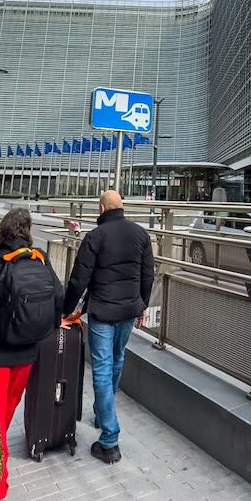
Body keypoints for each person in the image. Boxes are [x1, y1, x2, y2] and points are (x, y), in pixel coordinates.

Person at [0, 207, 64, 501]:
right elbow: (58, 297)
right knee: (6, 411)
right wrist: (47, 328)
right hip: (27, 350)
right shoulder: (39, 258)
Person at [63, 190, 154, 464]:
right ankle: (104, 414)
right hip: (128, 311)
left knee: (102, 368)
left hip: (102, 311)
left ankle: (109, 437)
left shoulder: (95, 237)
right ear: (121, 207)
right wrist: (142, 305)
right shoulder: (141, 234)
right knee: (117, 359)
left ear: (102, 208)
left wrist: (65, 311)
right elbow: (148, 274)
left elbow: (78, 279)